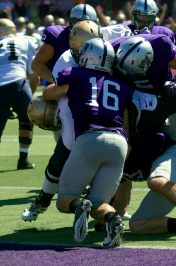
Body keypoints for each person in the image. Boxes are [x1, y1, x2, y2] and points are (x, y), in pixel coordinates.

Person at [43, 38, 133, 247]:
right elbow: (126, 114)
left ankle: (79, 205)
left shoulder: (75, 74)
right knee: (99, 203)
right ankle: (113, 220)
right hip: (119, 142)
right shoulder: (122, 85)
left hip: (90, 138)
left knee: (65, 200)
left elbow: (48, 93)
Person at [21, 20, 101, 222]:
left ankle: (108, 208)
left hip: (101, 114)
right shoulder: (66, 60)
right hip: (74, 111)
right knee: (63, 153)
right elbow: (59, 92)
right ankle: (43, 199)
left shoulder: (105, 49)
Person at [0, 19, 39, 169]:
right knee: (27, 121)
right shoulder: (26, 41)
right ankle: (23, 160)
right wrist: (29, 97)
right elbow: (35, 75)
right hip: (18, 86)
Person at [32, 4, 97, 84]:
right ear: (71, 22)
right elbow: (37, 64)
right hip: (59, 90)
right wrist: (57, 82)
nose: (83, 27)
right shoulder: (57, 36)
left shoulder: (100, 39)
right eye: (78, 23)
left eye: (88, 23)